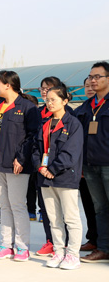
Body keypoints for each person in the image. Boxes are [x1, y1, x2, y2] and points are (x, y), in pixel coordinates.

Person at [0, 70, 41, 262]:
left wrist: (21, 158)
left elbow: (33, 136)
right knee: (4, 206)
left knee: (17, 205)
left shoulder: (26, 107)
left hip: (16, 164)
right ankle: (6, 245)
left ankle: (22, 247)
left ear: (8, 85)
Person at [32, 84, 83, 270]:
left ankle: (73, 255)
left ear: (65, 101)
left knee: (70, 218)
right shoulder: (45, 124)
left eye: (53, 100)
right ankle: (59, 251)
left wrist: (52, 169)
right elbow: (36, 149)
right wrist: (40, 167)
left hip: (65, 178)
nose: (50, 103)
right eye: (47, 100)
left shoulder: (73, 124)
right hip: (45, 178)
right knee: (54, 219)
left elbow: (71, 152)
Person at [78, 61, 109, 263]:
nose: (93, 81)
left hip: (107, 164)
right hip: (89, 166)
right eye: (91, 77)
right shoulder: (86, 107)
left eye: (98, 76)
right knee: (100, 209)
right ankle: (103, 248)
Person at [74, 77, 98, 252]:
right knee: (89, 205)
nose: (90, 88)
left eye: (92, 85)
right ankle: (93, 238)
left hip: (102, 165)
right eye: (86, 86)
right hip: (84, 166)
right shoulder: (80, 111)